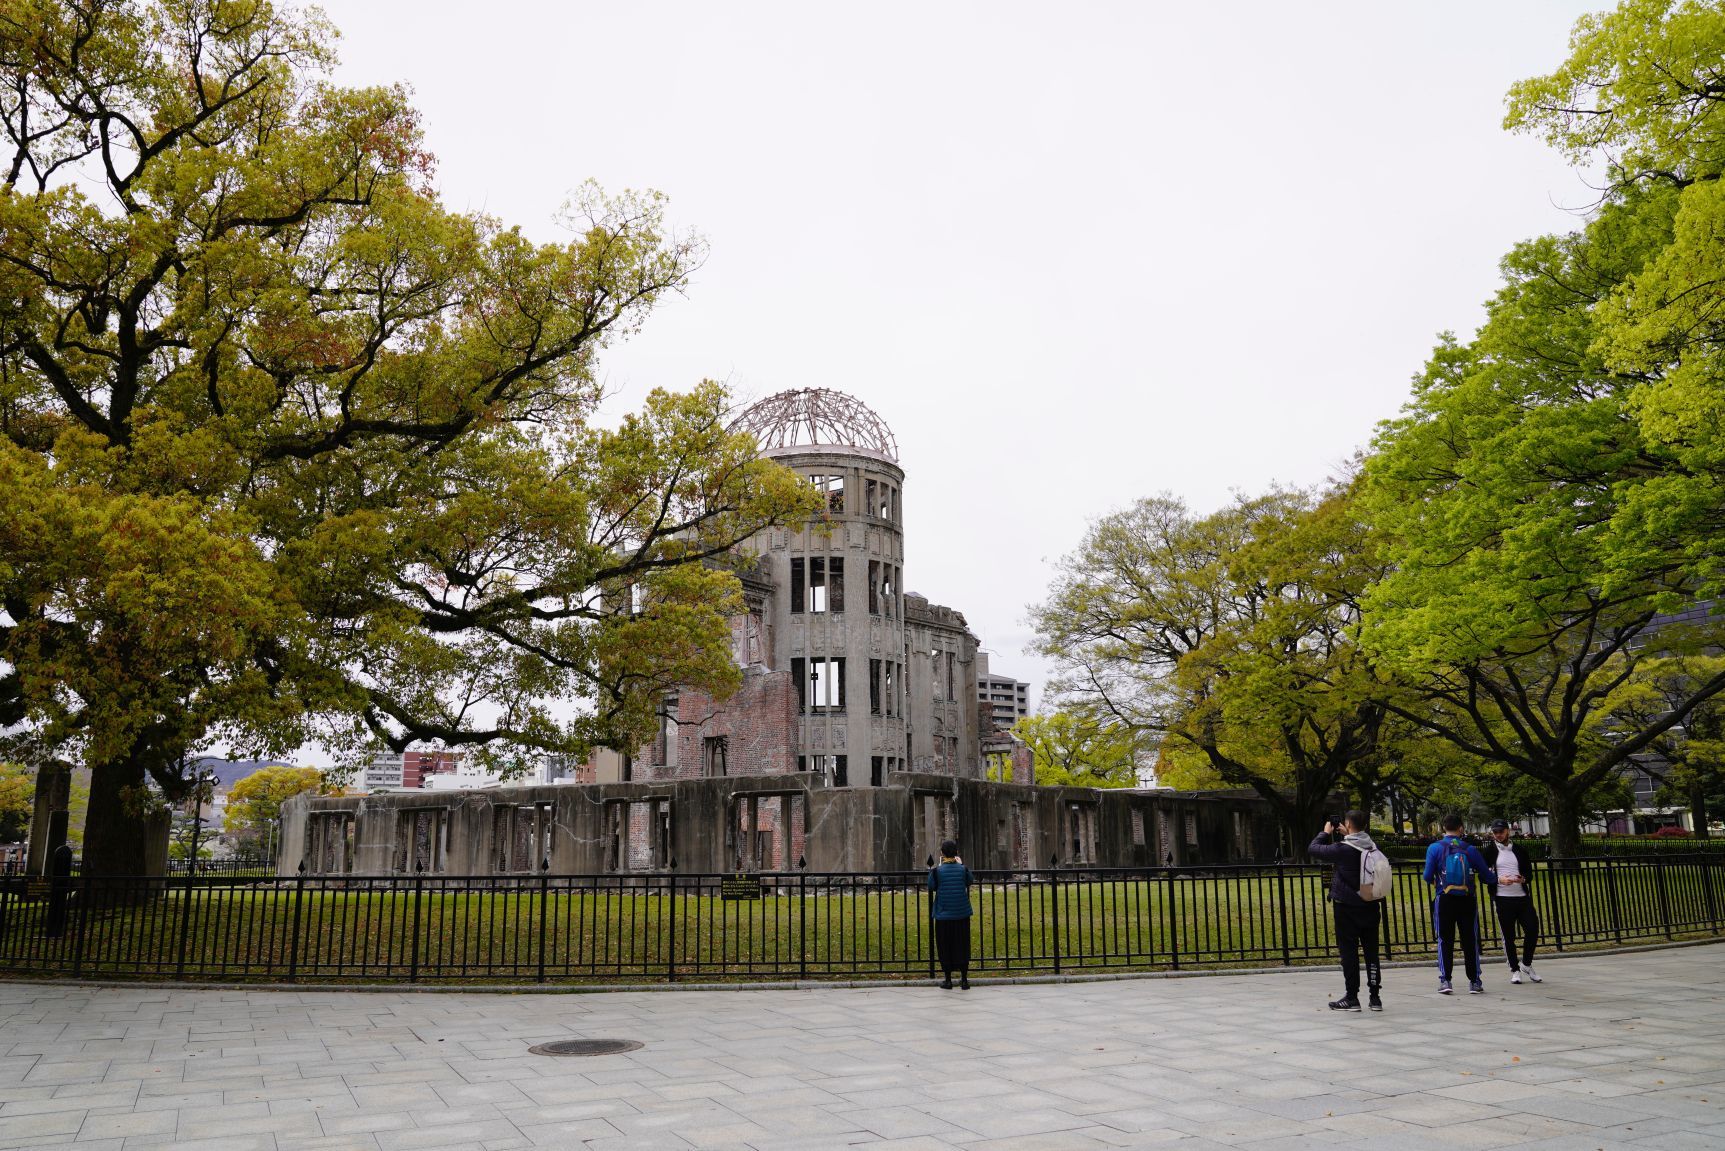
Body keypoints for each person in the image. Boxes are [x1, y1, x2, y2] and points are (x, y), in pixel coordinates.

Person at [1309, 809, 1384, 1012]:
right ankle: (1375, 997)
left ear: (1348, 825)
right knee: (1371, 952)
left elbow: (1314, 849)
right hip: (1370, 904)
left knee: (1349, 952)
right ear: (1366, 827)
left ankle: (1352, 997)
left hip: (1347, 907)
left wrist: (1325, 832)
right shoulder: (1373, 847)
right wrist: (1348, 834)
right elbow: (1357, 842)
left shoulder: (1342, 849)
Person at [1422, 814, 1494, 995]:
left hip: (1444, 898)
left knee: (1445, 939)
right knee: (1470, 939)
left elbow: (1427, 875)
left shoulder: (1434, 848)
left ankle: (1445, 980)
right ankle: (1475, 981)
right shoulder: (1469, 849)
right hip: (1467, 899)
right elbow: (1487, 875)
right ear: (1461, 828)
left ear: (1443, 828)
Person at [1485, 818, 1542, 984]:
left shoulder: (1519, 850)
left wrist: (1522, 879)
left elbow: (1529, 874)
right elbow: (1483, 875)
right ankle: (1515, 969)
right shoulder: (1489, 852)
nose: (1498, 835)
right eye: (1495, 832)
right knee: (1508, 935)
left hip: (1522, 897)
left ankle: (1526, 963)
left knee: (1532, 929)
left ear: (1507, 831)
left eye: (1501, 832)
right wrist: (1498, 879)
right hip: (1503, 898)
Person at [927, 839, 976, 989]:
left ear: (942, 853)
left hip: (943, 914)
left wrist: (936, 868)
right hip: (961, 914)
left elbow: (931, 886)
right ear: (956, 853)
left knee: (945, 946)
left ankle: (948, 980)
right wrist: (961, 865)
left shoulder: (937, 871)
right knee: (962, 945)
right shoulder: (963, 869)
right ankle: (964, 979)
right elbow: (970, 881)